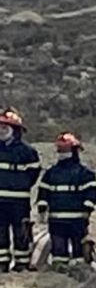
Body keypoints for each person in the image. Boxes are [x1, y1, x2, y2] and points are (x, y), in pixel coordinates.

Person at [36, 133, 96, 270]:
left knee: (78, 253)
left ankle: (78, 274)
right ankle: (60, 276)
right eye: (60, 150)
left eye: (64, 150)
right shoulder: (51, 173)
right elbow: (43, 192)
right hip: (56, 220)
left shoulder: (84, 174)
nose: (61, 153)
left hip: (77, 220)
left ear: (74, 151)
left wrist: (87, 210)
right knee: (58, 253)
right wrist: (42, 209)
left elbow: (92, 192)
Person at [0, 107, 41, 273]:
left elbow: (33, 174)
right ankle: (2, 263)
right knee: (0, 233)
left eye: (5, 127)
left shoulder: (28, 152)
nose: (1, 130)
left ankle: (22, 263)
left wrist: (19, 185)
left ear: (15, 130)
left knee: (21, 232)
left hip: (19, 201)